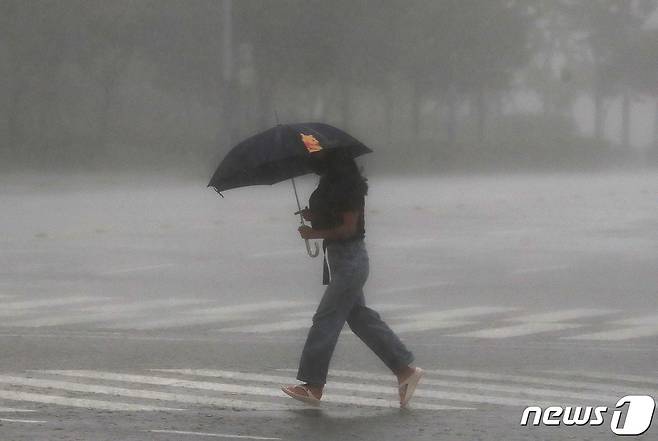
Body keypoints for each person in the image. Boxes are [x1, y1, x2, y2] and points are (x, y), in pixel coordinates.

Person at [281, 147, 423, 407]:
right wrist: (314, 216)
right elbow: (334, 217)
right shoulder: (333, 184)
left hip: (351, 261)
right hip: (339, 261)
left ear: (334, 159)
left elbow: (348, 229)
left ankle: (313, 386)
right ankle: (405, 371)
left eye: (319, 154)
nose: (314, 158)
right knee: (360, 318)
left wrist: (314, 233)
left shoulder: (350, 188)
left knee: (325, 319)